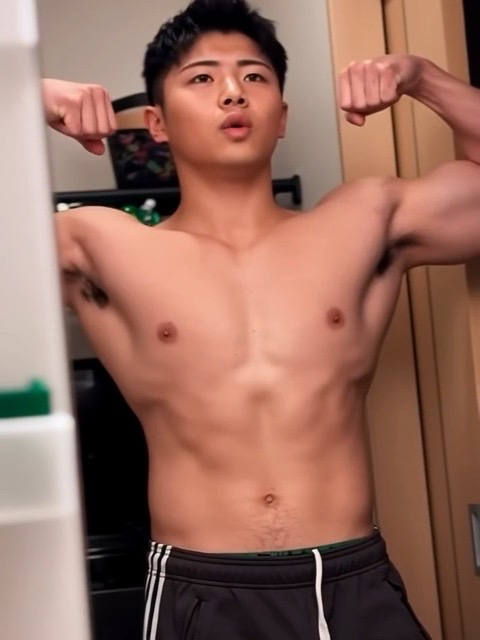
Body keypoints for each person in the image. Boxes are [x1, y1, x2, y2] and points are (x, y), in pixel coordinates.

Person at [40, 0, 480, 638]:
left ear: (282, 116)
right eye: (201, 77)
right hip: (201, 588)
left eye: (254, 76)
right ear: (156, 122)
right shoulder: (99, 245)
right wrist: (20, 96)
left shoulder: (363, 223)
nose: (231, 92)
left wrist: (421, 76)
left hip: (352, 580)